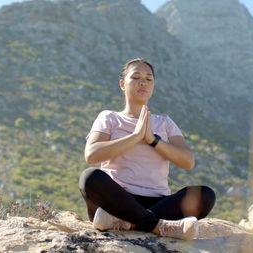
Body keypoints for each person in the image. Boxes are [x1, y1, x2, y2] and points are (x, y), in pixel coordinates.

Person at [79, 58, 216, 240]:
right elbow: (92, 154)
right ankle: (158, 226)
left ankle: (128, 222)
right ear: (122, 84)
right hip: (118, 200)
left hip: (158, 202)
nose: (143, 82)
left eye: (148, 79)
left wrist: (153, 140)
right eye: (135, 77)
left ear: (153, 86)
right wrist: (135, 136)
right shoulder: (109, 118)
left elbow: (187, 161)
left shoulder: (165, 122)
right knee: (89, 177)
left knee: (205, 195)